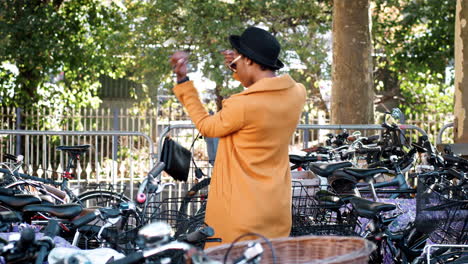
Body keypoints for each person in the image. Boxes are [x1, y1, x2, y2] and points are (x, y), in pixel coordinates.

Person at [170, 26, 306, 247]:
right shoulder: (297, 93)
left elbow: (206, 126)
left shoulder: (242, 105)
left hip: (241, 215)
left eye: (239, 60)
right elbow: (261, 87)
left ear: (250, 61)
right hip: (276, 209)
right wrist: (239, 66)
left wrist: (183, 82)